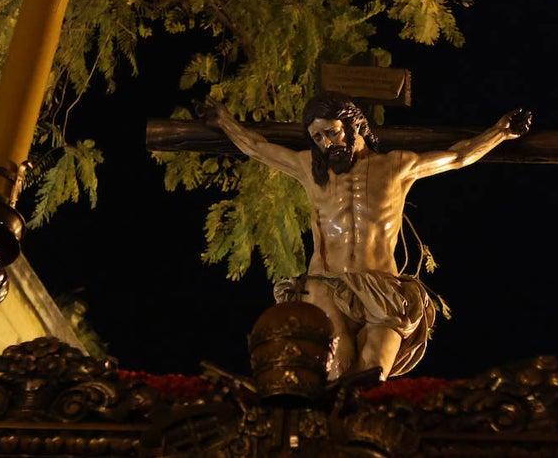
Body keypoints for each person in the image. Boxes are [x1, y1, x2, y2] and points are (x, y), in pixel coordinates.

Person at [206, 91, 531, 381]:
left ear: (355, 126)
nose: (326, 143)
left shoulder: (398, 166)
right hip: (326, 284)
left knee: (374, 373)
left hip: (382, 287)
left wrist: (500, 131)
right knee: (337, 372)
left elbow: (459, 156)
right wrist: (223, 120)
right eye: (317, 137)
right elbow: (257, 147)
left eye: (331, 132)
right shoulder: (308, 168)